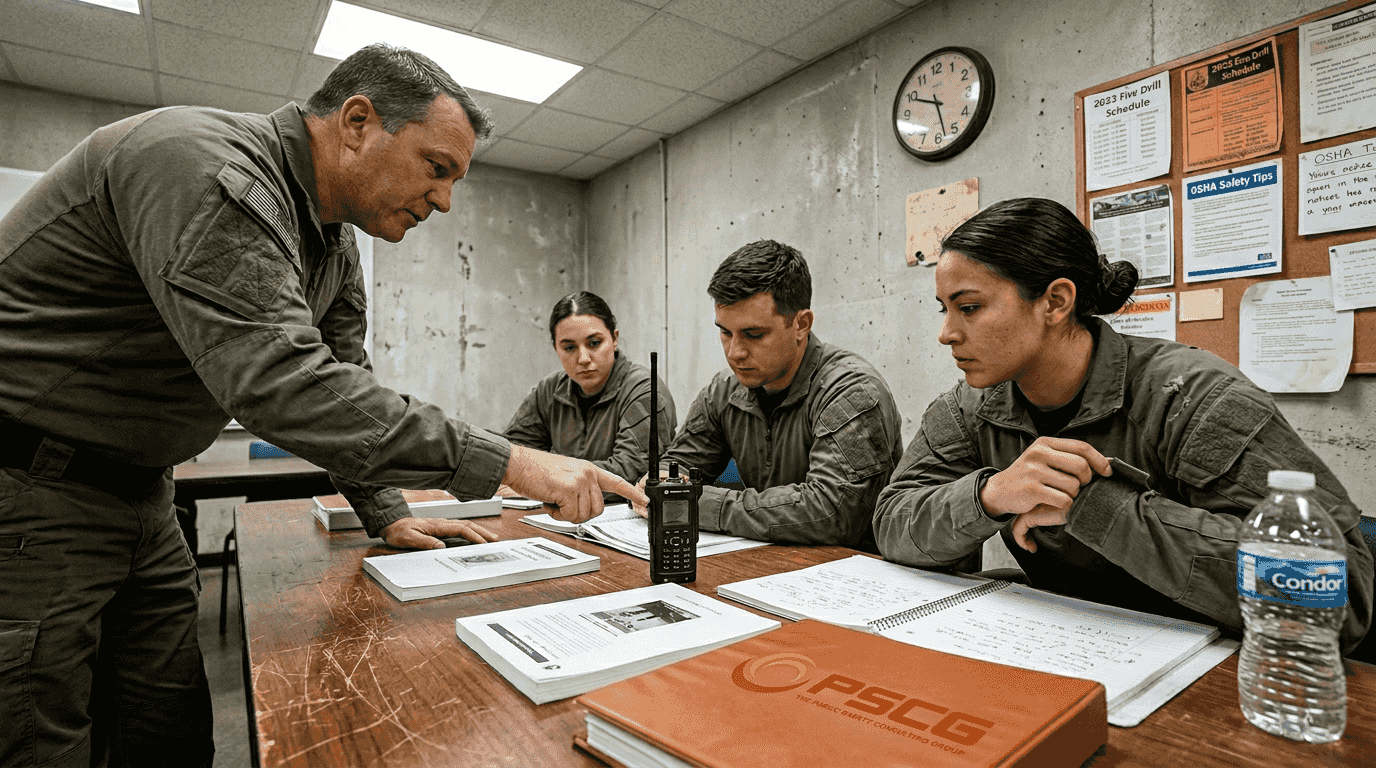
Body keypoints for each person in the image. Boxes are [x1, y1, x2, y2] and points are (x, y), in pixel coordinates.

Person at [0, 44, 643, 767]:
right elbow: (285, 384)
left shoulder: (333, 242)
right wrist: (515, 464)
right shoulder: (203, 165)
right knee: (36, 740)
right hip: (30, 488)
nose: (444, 200)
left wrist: (387, 514)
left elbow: (342, 374)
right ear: (358, 122)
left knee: (168, 732)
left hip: (144, 494)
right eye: (437, 168)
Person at [872, 197, 1373, 652]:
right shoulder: (969, 405)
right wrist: (991, 495)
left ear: (1055, 301)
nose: (946, 334)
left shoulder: (1193, 397)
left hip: (1212, 675)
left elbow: (1342, 594)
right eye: (944, 310)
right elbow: (892, 522)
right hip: (1067, 644)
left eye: (970, 307)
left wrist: (1090, 505)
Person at [633, 240, 903, 549]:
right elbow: (678, 466)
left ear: (801, 324)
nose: (735, 353)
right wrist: (660, 481)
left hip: (853, 575)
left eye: (754, 334)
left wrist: (701, 504)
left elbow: (832, 514)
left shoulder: (851, 390)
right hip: (768, 564)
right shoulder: (724, 390)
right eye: (725, 332)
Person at [504, 291, 677, 492]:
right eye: (569, 347)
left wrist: (546, 476)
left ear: (614, 338)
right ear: (555, 349)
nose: (583, 358)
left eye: (594, 343)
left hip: (623, 516)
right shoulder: (549, 389)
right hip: (558, 514)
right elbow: (511, 457)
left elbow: (629, 472)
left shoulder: (644, 389)